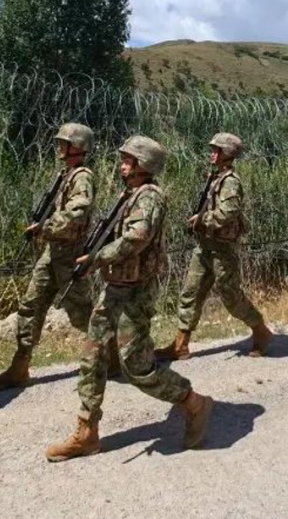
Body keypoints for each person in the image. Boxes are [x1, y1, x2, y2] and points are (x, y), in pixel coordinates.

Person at [46, 135, 213, 462]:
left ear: (143, 165)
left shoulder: (149, 197)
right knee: (94, 355)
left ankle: (194, 403)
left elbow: (137, 237)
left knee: (137, 367)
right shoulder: (131, 194)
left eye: (128, 161)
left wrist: (99, 258)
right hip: (115, 288)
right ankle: (86, 432)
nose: (122, 165)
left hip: (136, 292)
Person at [0, 122, 109, 391]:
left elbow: (78, 212)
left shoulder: (82, 177)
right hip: (53, 252)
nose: (59, 147)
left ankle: (112, 355)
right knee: (32, 305)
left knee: (80, 312)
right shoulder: (66, 175)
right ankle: (20, 366)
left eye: (64, 143)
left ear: (77, 147)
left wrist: (46, 227)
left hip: (69, 253)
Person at [155, 132, 275, 360]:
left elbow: (229, 213)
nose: (212, 154)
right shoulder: (215, 177)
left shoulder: (230, 182)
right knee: (190, 293)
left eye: (216, 150)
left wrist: (202, 220)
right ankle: (180, 345)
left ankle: (261, 331)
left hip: (222, 249)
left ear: (227, 153)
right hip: (205, 245)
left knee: (231, 296)